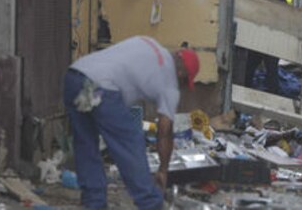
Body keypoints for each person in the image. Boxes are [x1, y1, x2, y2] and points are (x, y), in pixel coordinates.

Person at [63, 36, 200, 210]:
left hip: (75, 77)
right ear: (182, 74)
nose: (181, 85)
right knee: (131, 141)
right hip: (101, 89)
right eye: (184, 82)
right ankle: (150, 204)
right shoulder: (170, 84)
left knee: (86, 144)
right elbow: (164, 131)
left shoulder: (148, 42)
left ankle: (94, 203)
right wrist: (163, 170)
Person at [244, 0, 281, 94]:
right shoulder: (268, 2)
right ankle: (273, 95)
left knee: (250, 71)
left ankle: (246, 92)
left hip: (259, 42)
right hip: (267, 42)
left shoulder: (249, 3)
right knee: (271, 73)